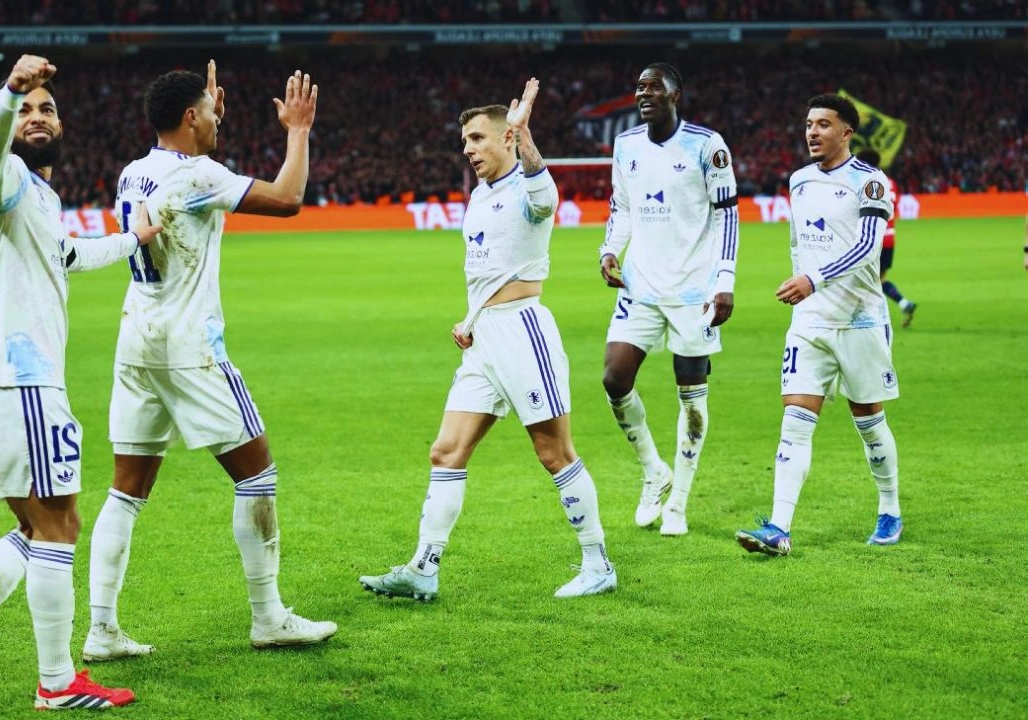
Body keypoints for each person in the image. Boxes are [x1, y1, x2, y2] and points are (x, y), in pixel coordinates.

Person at [0, 55, 162, 715]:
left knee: (40, 525)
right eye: (27, 110)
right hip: (20, 382)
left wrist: (133, 238)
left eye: (46, 107)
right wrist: (7, 92)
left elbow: (70, 254)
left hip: (1, 383)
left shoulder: (40, 202)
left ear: (63, 121)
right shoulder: (6, 178)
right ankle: (57, 683)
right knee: (59, 526)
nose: (36, 116)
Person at [82, 61, 336, 658]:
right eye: (210, 111)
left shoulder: (132, 172)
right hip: (190, 345)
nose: (219, 118)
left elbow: (195, 173)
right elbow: (289, 197)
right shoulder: (198, 174)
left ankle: (101, 630)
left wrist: (206, 119)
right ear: (190, 116)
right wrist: (297, 131)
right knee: (258, 472)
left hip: (136, 339)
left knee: (127, 488)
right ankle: (268, 616)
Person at [358, 79, 617, 602]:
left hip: (523, 333)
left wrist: (528, 138)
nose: (470, 150)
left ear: (507, 139)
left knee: (554, 452)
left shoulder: (528, 187)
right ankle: (423, 568)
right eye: (465, 142)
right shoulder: (479, 196)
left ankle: (598, 563)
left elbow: (547, 199)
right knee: (446, 451)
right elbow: (489, 270)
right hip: (483, 339)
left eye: (478, 139)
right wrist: (470, 318)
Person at [736, 94, 901, 556]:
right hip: (810, 322)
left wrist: (815, 278)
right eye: (809, 123)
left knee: (869, 423)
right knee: (794, 422)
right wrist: (804, 291)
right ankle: (779, 528)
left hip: (860, 321)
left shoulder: (870, 183)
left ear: (846, 132)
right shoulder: (800, 181)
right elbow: (798, 243)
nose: (812, 132)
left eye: (823, 124)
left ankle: (889, 509)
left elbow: (869, 248)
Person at [597, 62, 739, 536]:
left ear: (675, 94)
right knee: (615, 378)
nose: (643, 93)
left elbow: (727, 217)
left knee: (692, 398)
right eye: (638, 86)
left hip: (694, 291)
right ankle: (655, 471)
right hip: (640, 285)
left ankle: (678, 502)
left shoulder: (706, 145)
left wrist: (725, 279)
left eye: (653, 87)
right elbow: (622, 208)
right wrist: (610, 250)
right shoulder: (626, 146)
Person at [856, 148, 917, 327]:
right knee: (878, 278)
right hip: (890, 237)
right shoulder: (889, 182)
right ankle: (903, 304)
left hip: (872, 238)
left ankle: (869, 317)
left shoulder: (864, 181)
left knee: (862, 277)